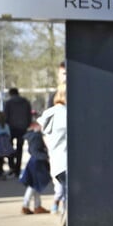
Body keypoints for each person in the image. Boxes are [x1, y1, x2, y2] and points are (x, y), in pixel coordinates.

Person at [39, 85, 68, 215]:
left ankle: (66, 225)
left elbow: (44, 135)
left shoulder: (49, 113)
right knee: (70, 197)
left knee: (67, 194)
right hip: (67, 160)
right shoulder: (67, 113)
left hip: (57, 161)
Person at [19, 121, 51, 215]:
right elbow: (35, 151)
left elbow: (32, 150)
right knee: (33, 185)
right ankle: (25, 205)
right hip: (38, 163)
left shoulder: (31, 136)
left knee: (36, 185)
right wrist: (46, 157)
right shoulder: (36, 136)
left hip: (34, 162)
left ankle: (37, 206)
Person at [3, 87, 32, 177]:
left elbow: (5, 116)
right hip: (22, 128)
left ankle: (12, 166)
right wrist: (27, 124)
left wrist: (5, 125)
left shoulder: (8, 103)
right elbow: (29, 115)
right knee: (20, 148)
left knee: (9, 148)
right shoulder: (26, 102)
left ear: (11, 94)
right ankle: (17, 169)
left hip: (11, 128)